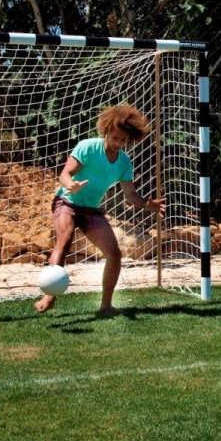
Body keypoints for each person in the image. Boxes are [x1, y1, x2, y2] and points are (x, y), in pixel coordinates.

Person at [34, 105, 165, 317]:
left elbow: (130, 194)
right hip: (67, 201)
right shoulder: (88, 147)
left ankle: (106, 305)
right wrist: (71, 186)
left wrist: (146, 204)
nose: (118, 143)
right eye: (115, 138)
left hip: (91, 210)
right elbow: (65, 174)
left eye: (123, 140)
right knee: (65, 238)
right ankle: (50, 295)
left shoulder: (124, 161)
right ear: (106, 131)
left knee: (114, 253)